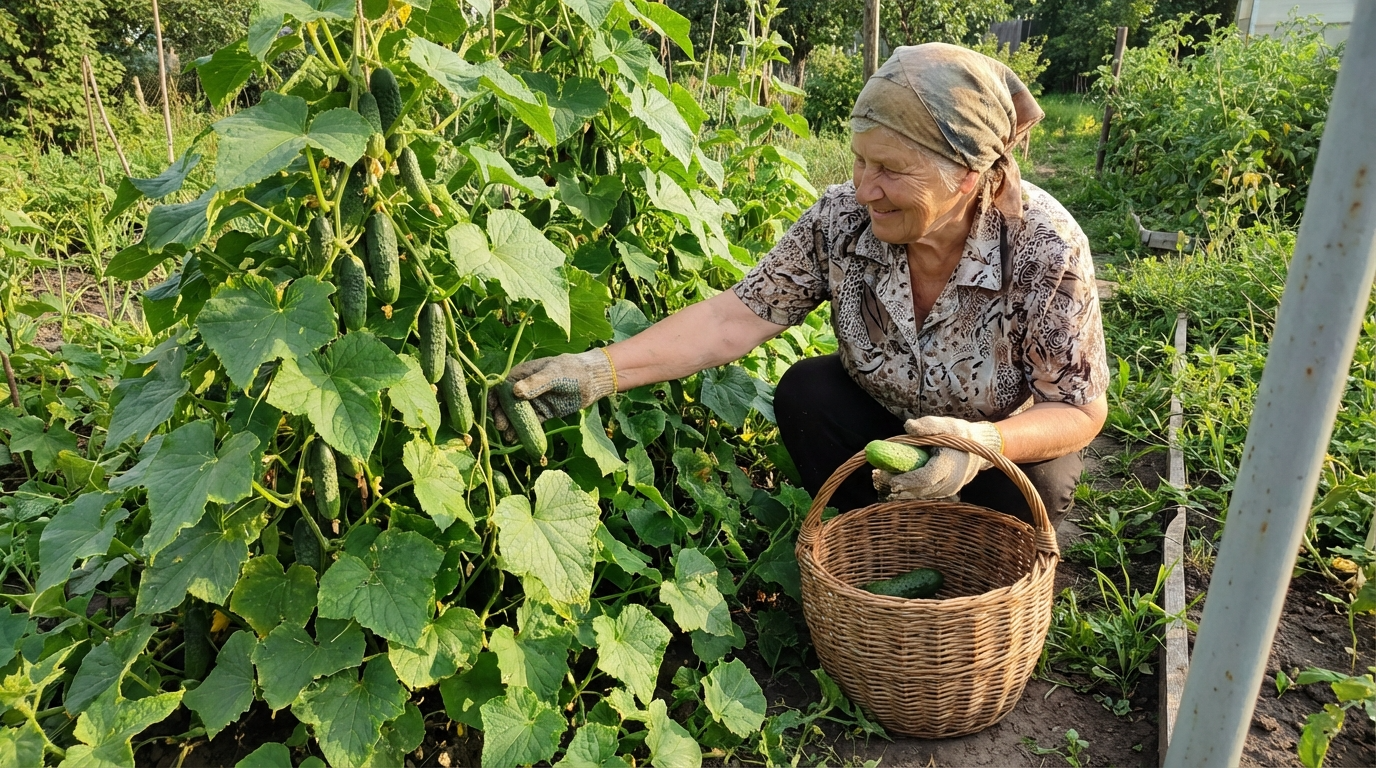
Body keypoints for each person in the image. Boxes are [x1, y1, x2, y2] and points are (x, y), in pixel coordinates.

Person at [493, 43, 1109, 528]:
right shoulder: (839, 220)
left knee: (1045, 481)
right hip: (887, 424)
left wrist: (980, 444)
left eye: (891, 170)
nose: (865, 188)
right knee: (807, 391)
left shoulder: (1044, 247)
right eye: (861, 160)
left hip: (993, 441)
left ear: (969, 174)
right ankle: (869, 544)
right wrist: (597, 371)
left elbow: (1081, 408)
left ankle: (980, 564)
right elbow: (733, 318)